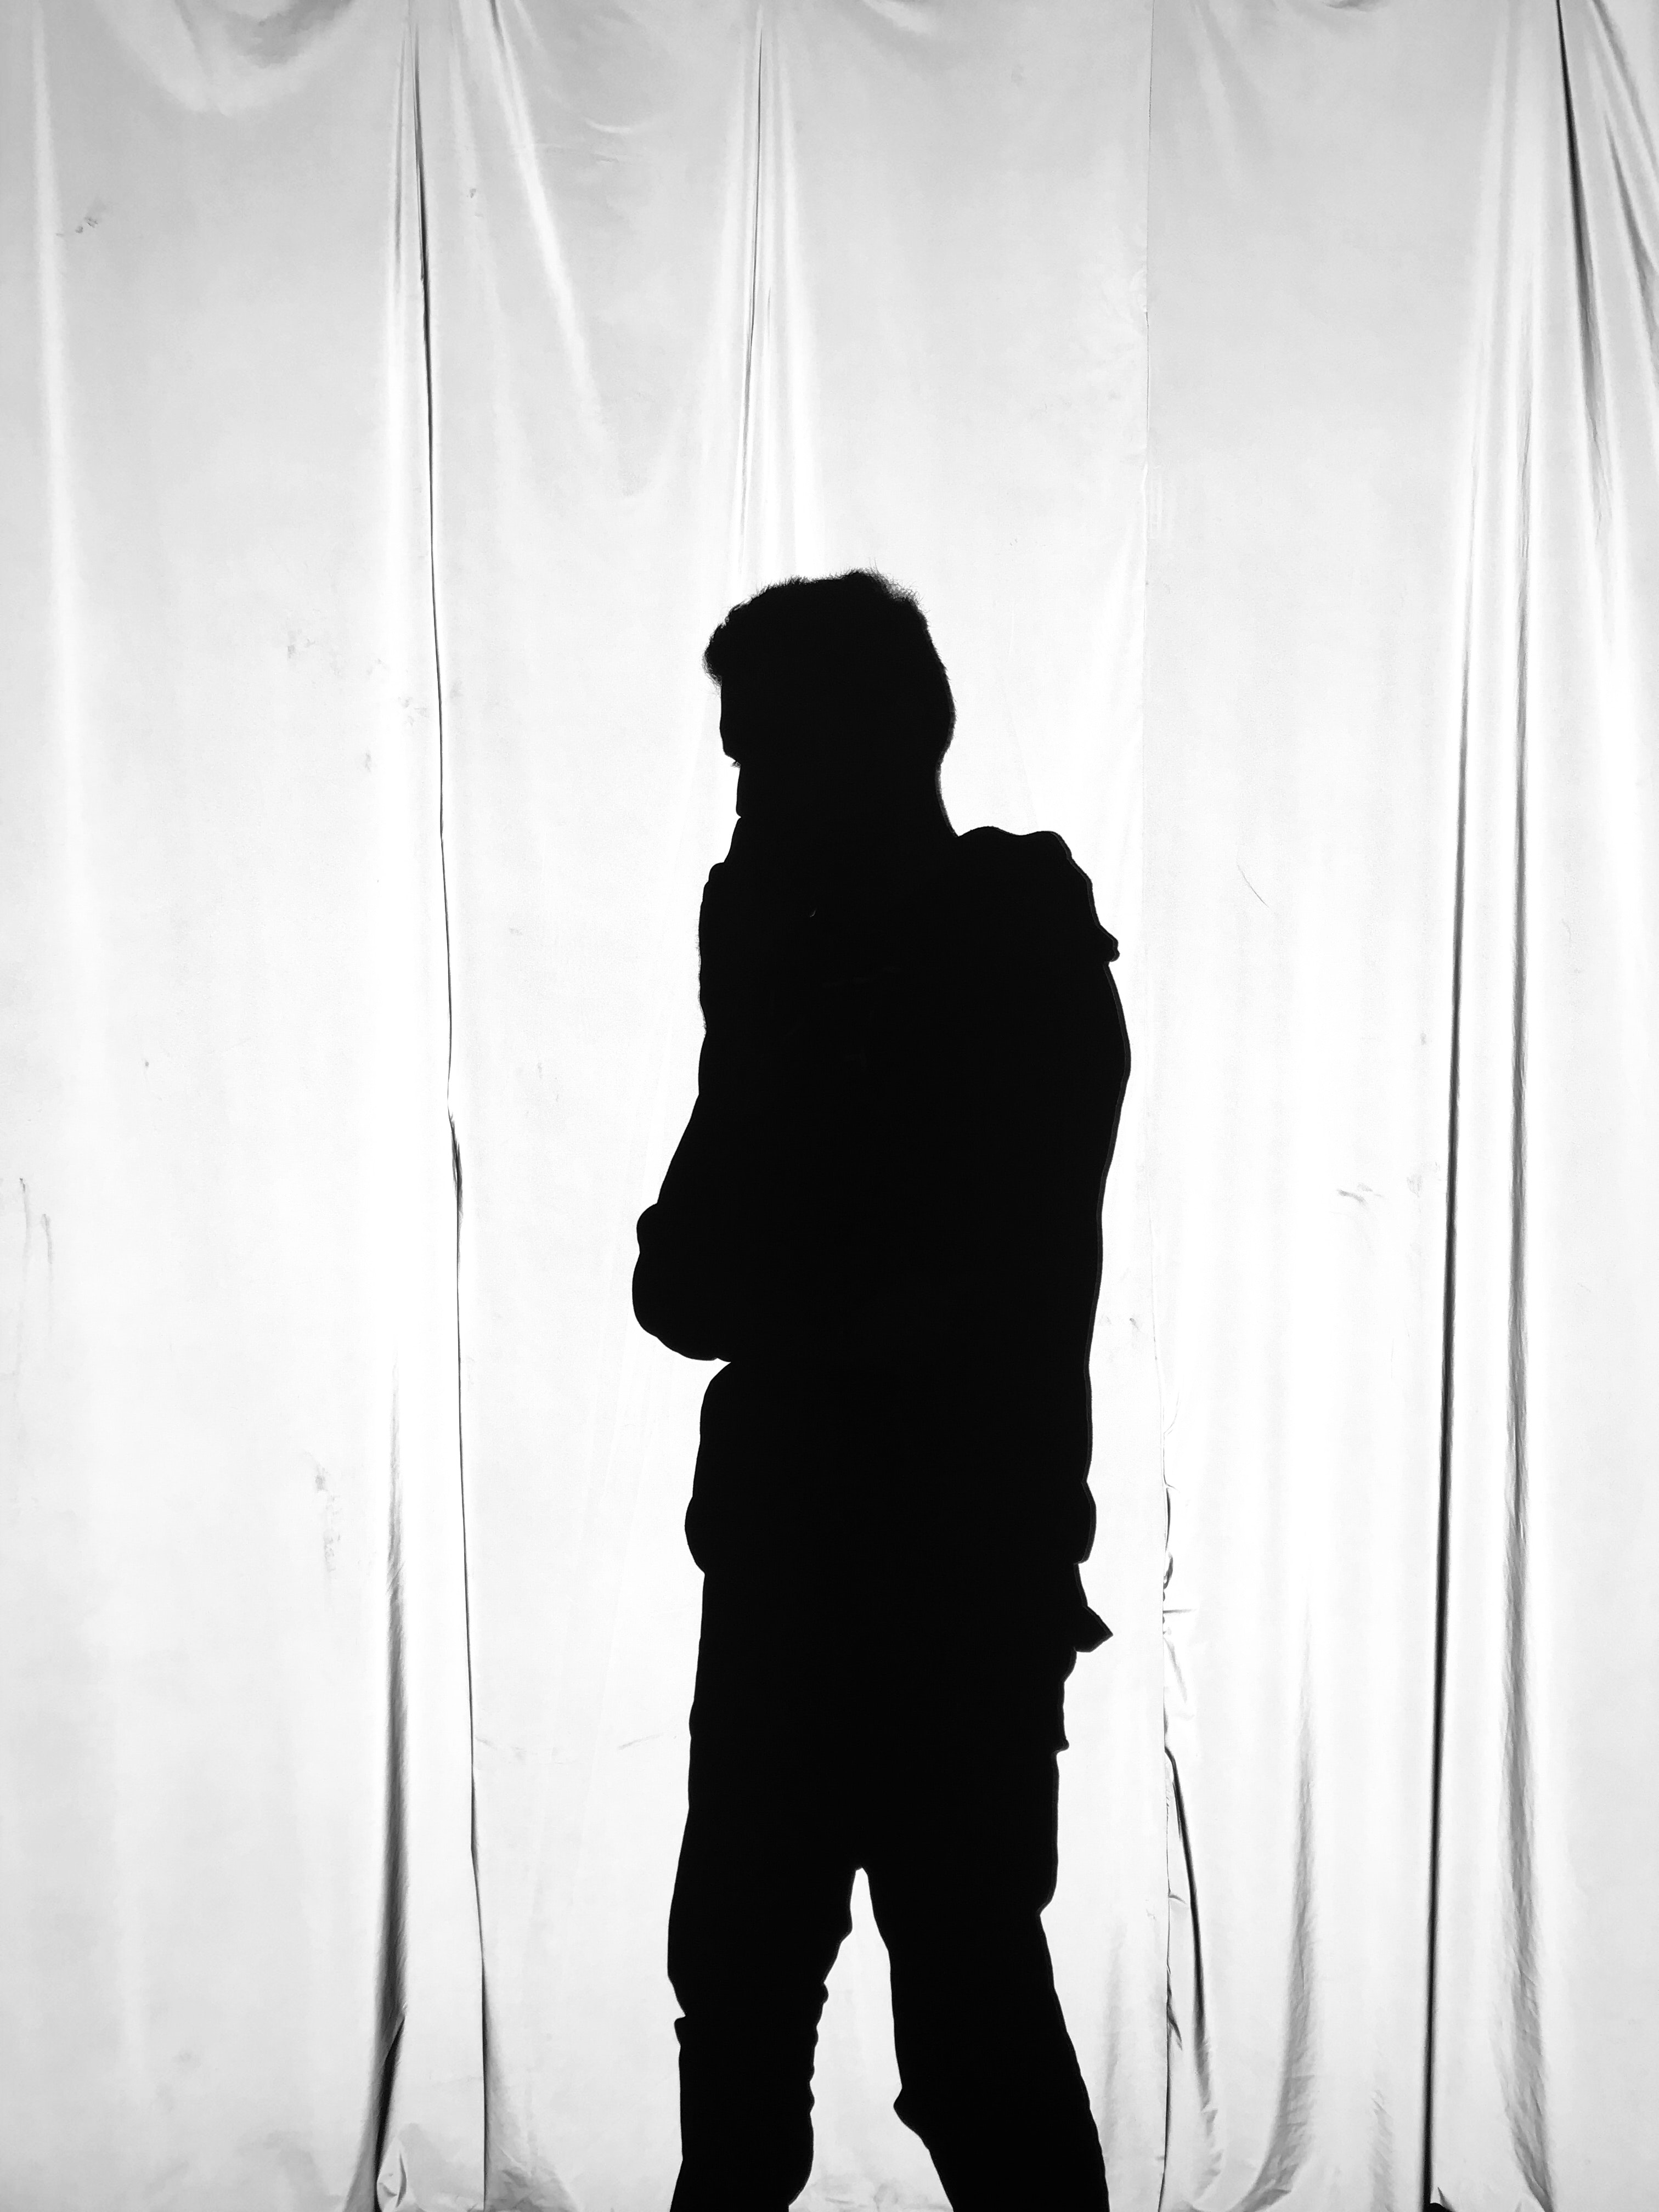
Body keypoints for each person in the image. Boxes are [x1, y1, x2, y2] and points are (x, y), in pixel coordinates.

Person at [633, 571, 1130, 2212]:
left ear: (878, 743)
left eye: (768, 756)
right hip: (842, 1565)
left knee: (940, 2021)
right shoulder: (848, 964)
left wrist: (765, 1013)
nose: (748, 804)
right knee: (777, 2007)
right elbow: (687, 1283)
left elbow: (821, 1284)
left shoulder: (1001, 954)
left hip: (935, 1574)